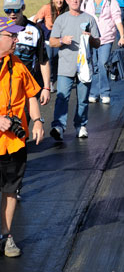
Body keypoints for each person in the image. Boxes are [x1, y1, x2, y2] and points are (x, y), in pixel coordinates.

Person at [0, 17, 44, 258]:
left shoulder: (17, 64)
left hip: (14, 142)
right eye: (11, 36)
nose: (17, 40)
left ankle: (6, 236)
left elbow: (31, 95)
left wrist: (37, 120)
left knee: (10, 190)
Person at [49, 0, 101, 140]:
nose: (74, 0)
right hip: (66, 66)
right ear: (67, 0)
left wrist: (90, 38)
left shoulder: (89, 19)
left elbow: (97, 42)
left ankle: (81, 125)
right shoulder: (61, 19)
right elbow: (52, 42)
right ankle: (58, 126)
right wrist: (61, 41)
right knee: (62, 97)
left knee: (83, 98)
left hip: (84, 66)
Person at [81, 0, 124, 104]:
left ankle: (105, 92)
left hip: (106, 38)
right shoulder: (86, 1)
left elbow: (117, 18)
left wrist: (122, 35)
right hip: (91, 39)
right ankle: (94, 92)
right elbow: (82, 18)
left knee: (102, 64)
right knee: (93, 66)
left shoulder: (111, 0)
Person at [2, 0, 50, 104]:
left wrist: (46, 88)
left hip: (26, 87)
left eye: (16, 10)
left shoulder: (35, 30)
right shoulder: (1, 28)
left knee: (24, 120)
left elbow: (43, 61)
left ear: (23, 7)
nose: (12, 14)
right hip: (4, 87)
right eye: (8, 11)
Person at [32, 0, 68, 89]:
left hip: (60, 37)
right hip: (47, 37)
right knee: (50, 58)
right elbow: (35, 20)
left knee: (59, 58)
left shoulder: (66, 9)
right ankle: (51, 81)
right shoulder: (46, 8)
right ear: (52, 0)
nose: (59, 1)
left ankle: (61, 78)